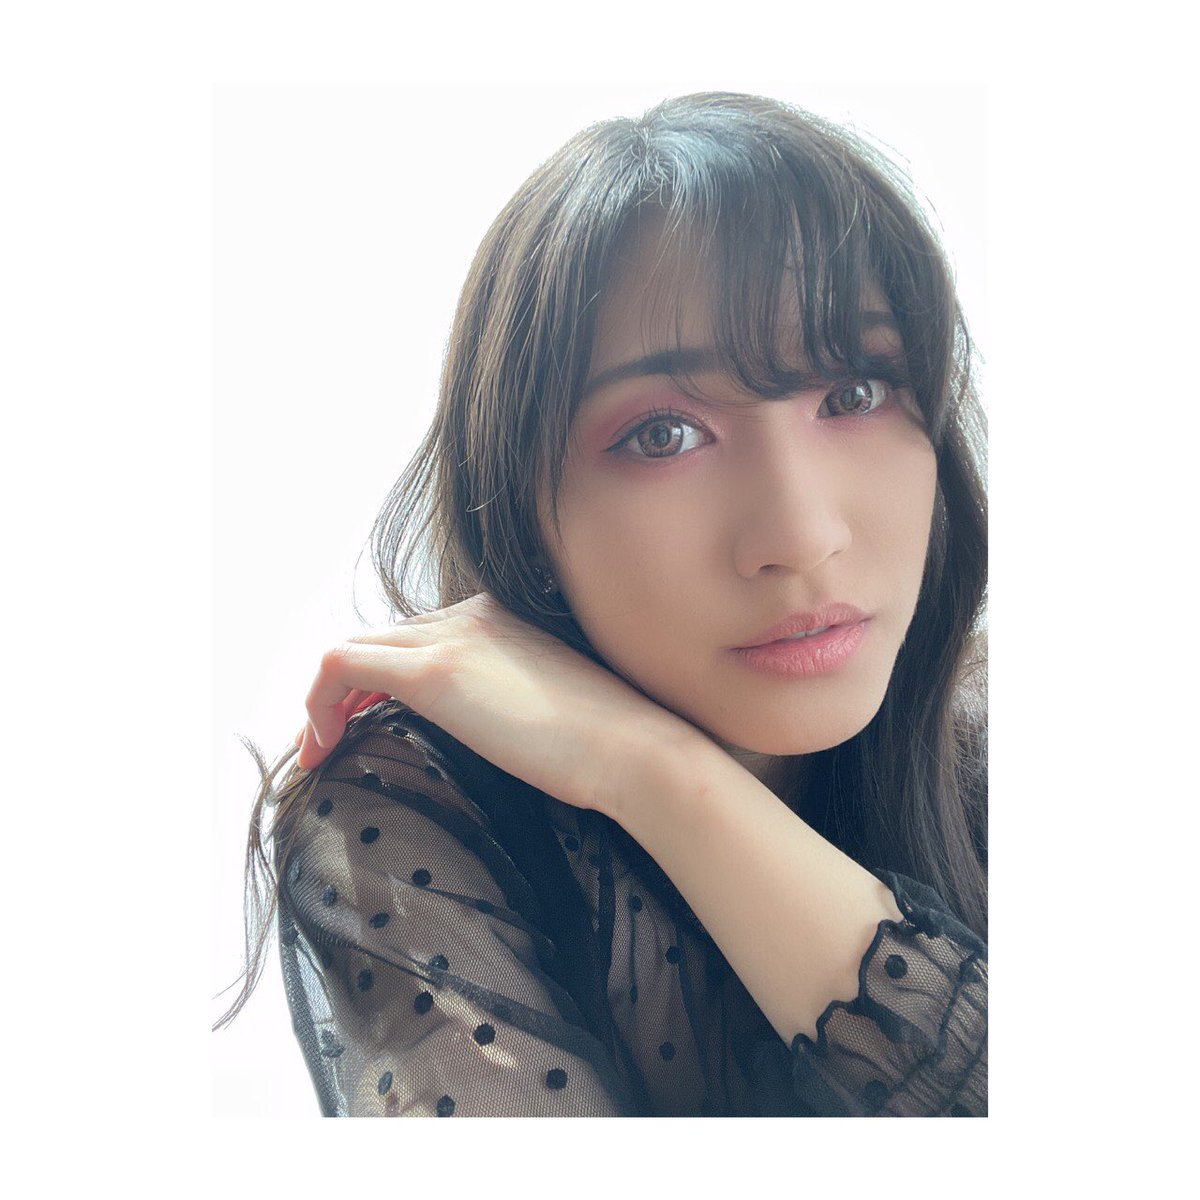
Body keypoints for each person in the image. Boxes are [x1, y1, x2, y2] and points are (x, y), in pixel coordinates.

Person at [215, 91, 988, 1117]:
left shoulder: (993, 750)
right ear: (527, 514)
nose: (803, 535)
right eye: (663, 434)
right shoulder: (415, 810)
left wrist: (659, 778)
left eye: (853, 394)